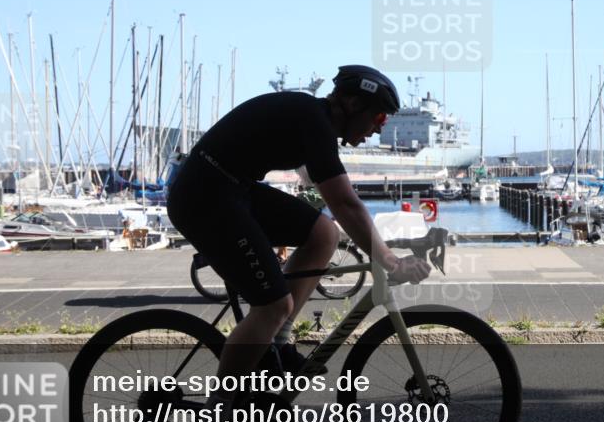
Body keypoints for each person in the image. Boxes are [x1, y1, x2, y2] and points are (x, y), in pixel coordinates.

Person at [166, 65, 431, 398]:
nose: (379, 130)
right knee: (273, 305)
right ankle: (219, 414)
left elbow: (338, 205)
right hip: (204, 196)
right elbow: (344, 203)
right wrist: (390, 261)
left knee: (324, 234)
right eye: (379, 118)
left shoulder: (314, 120)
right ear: (352, 105)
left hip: (232, 189)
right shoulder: (313, 121)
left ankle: (276, 342)